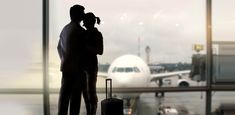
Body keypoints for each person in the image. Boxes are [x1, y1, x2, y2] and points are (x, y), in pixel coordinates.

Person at [57, 4, 86, 115]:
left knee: (64, 98)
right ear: (77, 15)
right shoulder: (80, 31)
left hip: (66, 68)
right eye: (82, 13)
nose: (84, 15)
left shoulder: (65, 29)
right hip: (77, 70)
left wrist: (64, 59)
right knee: (75, 100)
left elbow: (59, 48)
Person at [83, 12, 103, 115]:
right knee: (87, 93)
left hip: (90, 67)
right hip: (87, 66)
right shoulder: (89, 34)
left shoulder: (96, 34)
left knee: (91, 92)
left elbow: (100, 51)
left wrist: (86, 48)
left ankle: (92, 112)